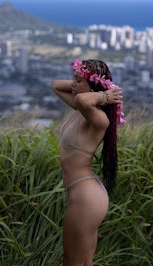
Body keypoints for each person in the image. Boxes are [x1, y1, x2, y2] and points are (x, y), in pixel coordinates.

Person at [51, 58, 126, 266]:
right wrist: (84, 83)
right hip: (82, 193)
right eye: (73, 80)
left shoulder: (99, 119)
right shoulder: (80, 110)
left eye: (77, 80)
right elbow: (55, 85)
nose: (72, 84)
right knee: (83, 262)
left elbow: (85, 100)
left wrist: (102, 94)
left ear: (93, 88)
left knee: (71, 261)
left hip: (87, 199)